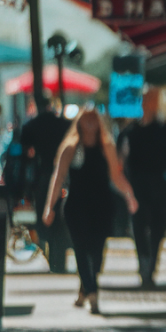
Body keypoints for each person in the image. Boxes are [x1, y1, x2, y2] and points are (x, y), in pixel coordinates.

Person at [43, 107, 139, 314]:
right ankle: (92, 292)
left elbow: (116, 176)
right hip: (76, 206)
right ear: (78, 123)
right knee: (80, 248)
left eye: (93, 119)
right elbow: (58, 177)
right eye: (86, 119)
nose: (90, 124)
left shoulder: (107, 147)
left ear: (99, 123)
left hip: (101, 205)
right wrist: (49, 207)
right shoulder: (70, 148)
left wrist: (129, 195)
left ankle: (85, 288)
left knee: (97, 251)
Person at [117, 88, 166, 287]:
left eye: (153, 99)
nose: (149, 103)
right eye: (146, 99)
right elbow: (120, 159)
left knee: (158, 227)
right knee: (138, 226)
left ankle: (151, 266)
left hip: (161, 184)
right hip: (137, 185)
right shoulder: (130, 131)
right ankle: (144, 264)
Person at [19, 100, 71, 272]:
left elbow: (25, 155)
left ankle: (51, 253)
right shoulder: (64, 125)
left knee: (44, 217)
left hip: (42, 178)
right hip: (62, 176)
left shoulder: (32, 127)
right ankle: (59, 258)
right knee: (60, 219)